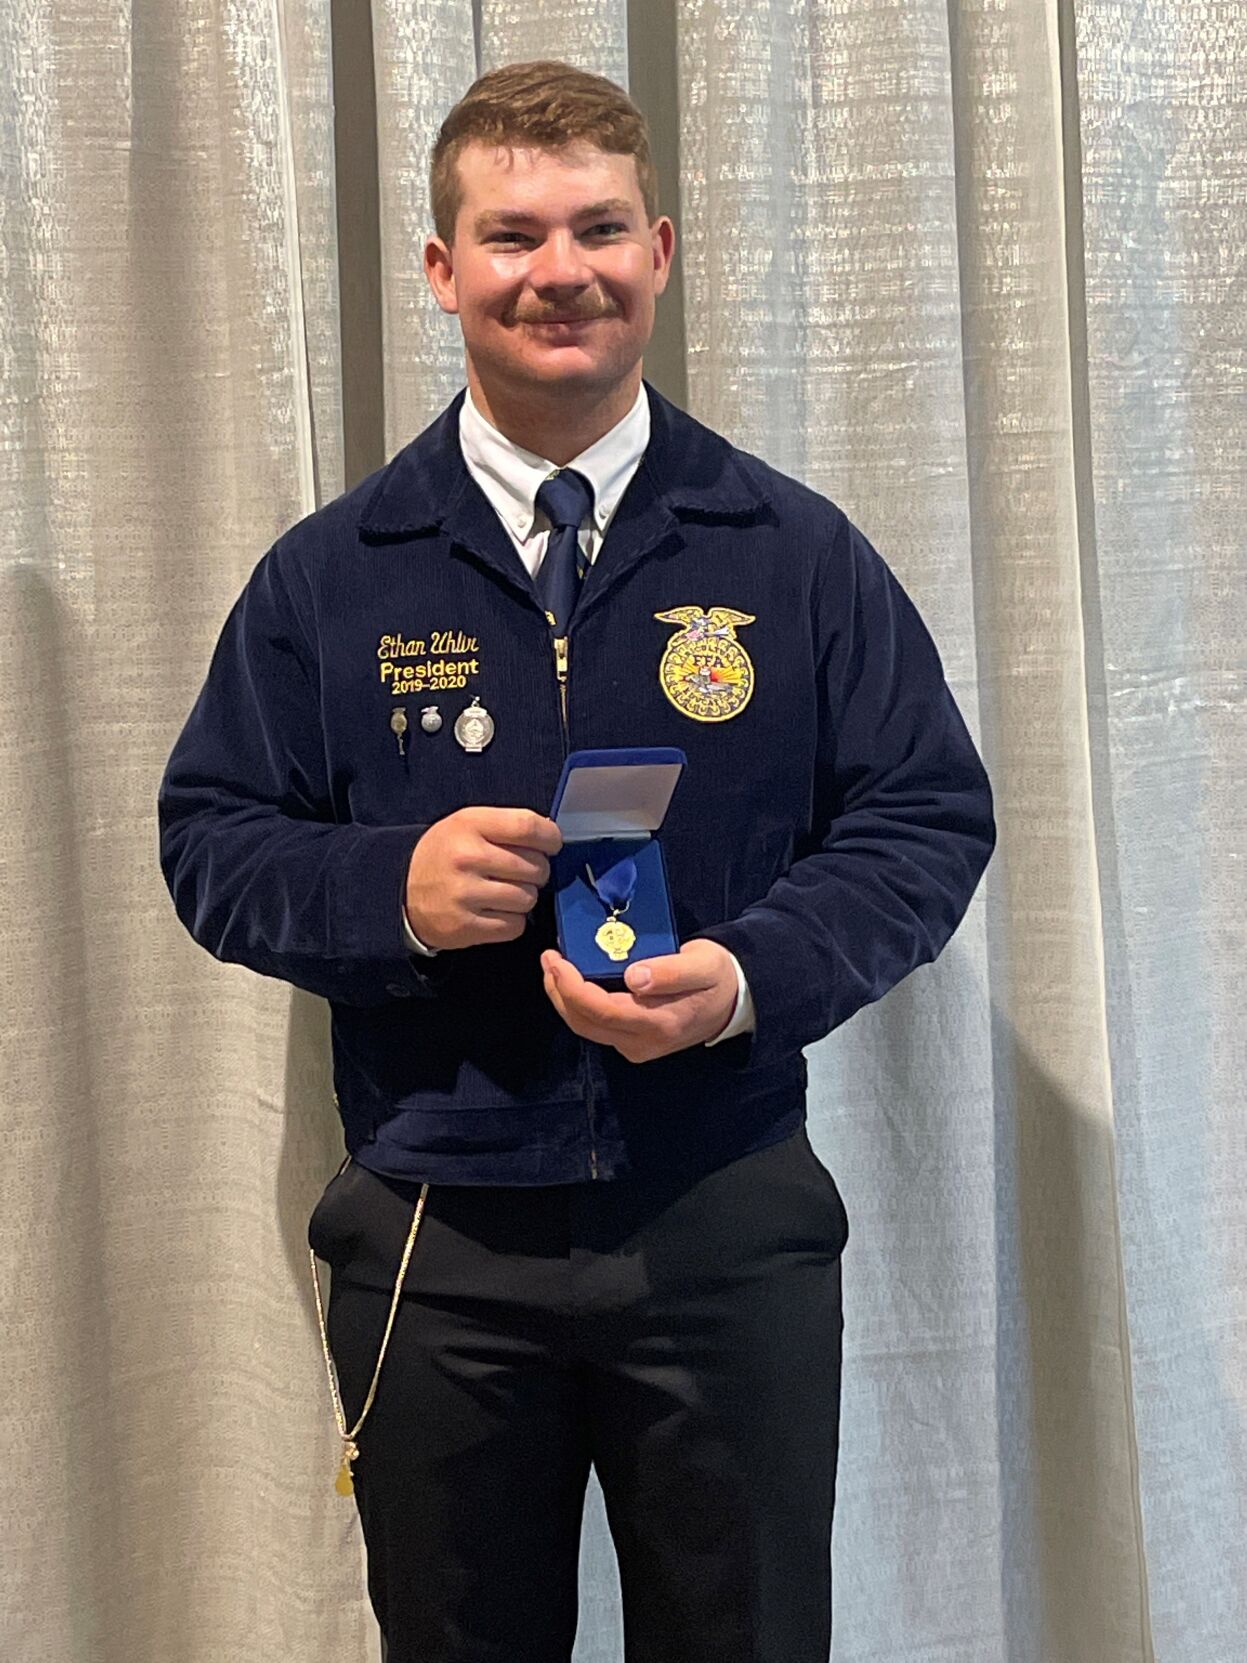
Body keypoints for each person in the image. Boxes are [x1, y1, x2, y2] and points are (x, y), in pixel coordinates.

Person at [158, 58, 995, 1663]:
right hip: (436, 1238)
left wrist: (752, 978)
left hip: (724, 1211)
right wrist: (382, 894)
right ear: (442, 268)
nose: (563, 271)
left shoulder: (791, 552)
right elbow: (211, 839)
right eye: (513, 234)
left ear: (661, 251)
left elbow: (923, 818)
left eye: (600, 227)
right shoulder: (330, 579)